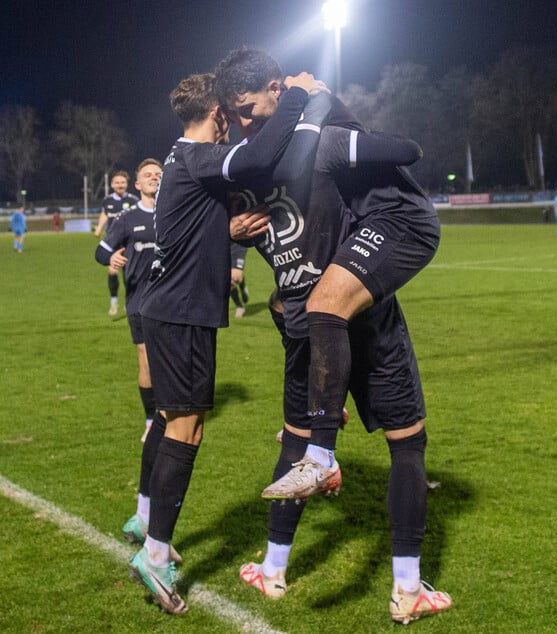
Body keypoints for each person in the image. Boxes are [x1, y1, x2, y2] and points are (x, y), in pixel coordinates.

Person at [215, 47, 452, 625]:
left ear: (274, 91)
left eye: (248, 111)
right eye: (233, 117)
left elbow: (393, 157)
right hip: (324, 323)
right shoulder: (273, 156)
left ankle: (402, 586)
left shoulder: (298, 146)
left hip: (333, 311)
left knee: (402, 443)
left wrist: (318, 100)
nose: (244, 126)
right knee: (343, 443)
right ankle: (274, 568)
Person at [125, 70, 320, 615]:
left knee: (170, 421)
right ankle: (156, 553)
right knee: (186, 428)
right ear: (215, 115)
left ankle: (149, 527)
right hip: (183, 316)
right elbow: (256, 163)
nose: (236, 124)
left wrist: (223, 233)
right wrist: (299, 94)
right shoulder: (197, 157)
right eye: (230, 116)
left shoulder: (177, 159)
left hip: (171, 312)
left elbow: (187, 231)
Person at [94, 158, 163, 442]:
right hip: (139, 300)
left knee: (172, 360)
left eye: (159, 174)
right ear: (138, 184)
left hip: (172, 299)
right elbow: (100, 251)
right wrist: (111, 257)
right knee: (146, 359)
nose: (154, 178)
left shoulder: (175, 212)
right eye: (148, 175)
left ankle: (170, 414)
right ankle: (151, 419)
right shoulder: (127, 218)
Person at [95, 171, 140, 316]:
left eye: (122, 182)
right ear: (112, 184)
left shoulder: (133, 200)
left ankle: (129, 301)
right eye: (117, 182)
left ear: (127, 184)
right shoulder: (107, 201)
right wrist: (99, 227)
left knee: (129, 273)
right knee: (112, 271)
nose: (120, 185)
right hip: (113, 242)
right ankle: (113, 302)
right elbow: (104, 214)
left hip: (129, 242)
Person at [229, 242, 250, 318]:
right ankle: (239, 306)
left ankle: (242, 284)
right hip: (221, 248)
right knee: (227, 281)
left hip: (237, 245)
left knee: (235, 276)